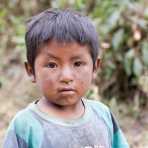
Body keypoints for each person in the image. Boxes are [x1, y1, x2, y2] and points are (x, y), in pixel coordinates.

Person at [3, 9, 129, 148]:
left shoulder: (102, 115)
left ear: (95, 68)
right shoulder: (25, 126)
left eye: (77, 64)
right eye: (52, 65)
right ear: (31, 71)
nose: (66, 77)